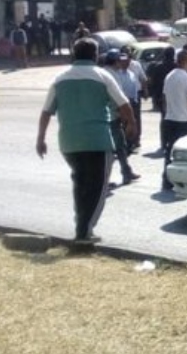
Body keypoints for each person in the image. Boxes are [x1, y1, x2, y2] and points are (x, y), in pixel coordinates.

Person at [36, 38, 136, 247]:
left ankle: (81, 227)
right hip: (98, 141)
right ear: (95, 55)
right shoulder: (103, 76)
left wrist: (41, 139)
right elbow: (125, 105)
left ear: (74, 54)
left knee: (80, 185)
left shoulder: (60, 78)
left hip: (69, 143)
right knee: (98, 188)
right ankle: (84, 232)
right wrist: (130, 126)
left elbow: (46, 112)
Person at [161, 49, 187, 191]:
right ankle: (184, 180)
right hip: (186, 119)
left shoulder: (169, 76)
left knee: (169, 151)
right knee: (186, 153)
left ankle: (166, 180)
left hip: (170, 118)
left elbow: (165, 98)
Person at [103, 51, 141, 185]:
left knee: (120, 146)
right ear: (115, 61)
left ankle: (126, 171)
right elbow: (117, 98)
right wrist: (127, 116)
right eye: (119, 60)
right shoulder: (110, 75)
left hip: (112, 115)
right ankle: (105, 179)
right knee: (112, 148)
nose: (122, 62)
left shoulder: (111, 73)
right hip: (111, 116)